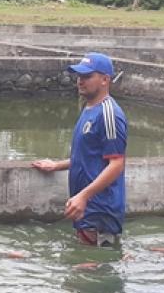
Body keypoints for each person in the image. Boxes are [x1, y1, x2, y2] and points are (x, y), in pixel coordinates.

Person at [32, 52, 128, 247]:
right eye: (79, 76)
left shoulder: (109, 114)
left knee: (97, 269)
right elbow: (89, 156)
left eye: (87, 76)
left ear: (105, 80)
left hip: (100, 211)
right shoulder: (89, 109)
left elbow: (117, 163)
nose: (80, 81)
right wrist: (57, 165)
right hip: (86, 209)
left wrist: (84, 196)